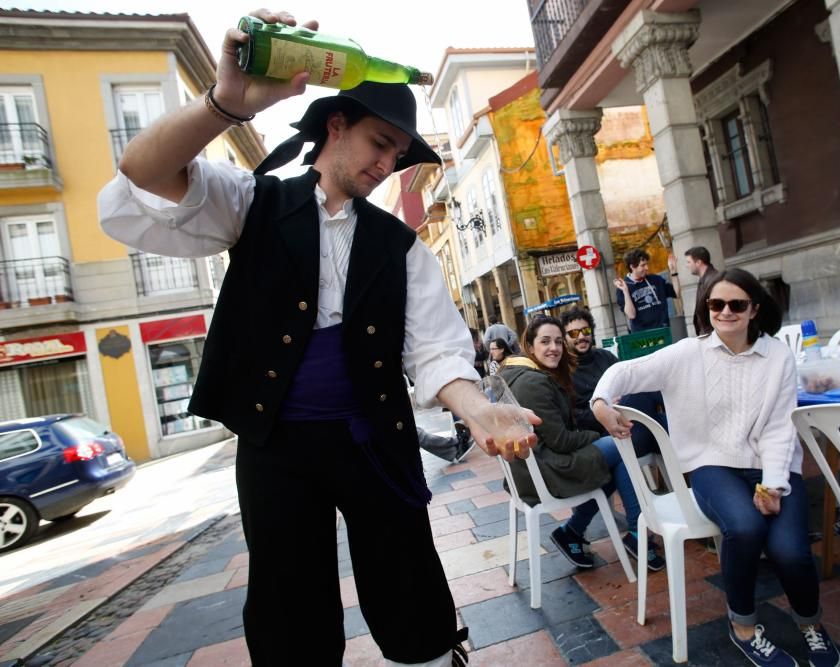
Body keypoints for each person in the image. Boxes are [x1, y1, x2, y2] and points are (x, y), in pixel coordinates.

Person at [96, 9, 537, 666]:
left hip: (375, 437)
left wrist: (478, 410)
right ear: (336, 126)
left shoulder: (401, 246)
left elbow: (436, 349)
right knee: (287, 590)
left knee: (405, 570)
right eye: (380, 144)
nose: (388, 163)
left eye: (397, 153)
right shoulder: (253, 202)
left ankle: (433, 652)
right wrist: (225, 104)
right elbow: (139, 173)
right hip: (275, 443)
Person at [592, 268, 840, 667]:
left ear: (754, 309)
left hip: (769, 466)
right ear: (705, 308)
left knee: (790, 551)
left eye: (736, 304)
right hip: (711, 464)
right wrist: (601, 402)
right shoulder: (689, 352)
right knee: (744, 528)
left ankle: (810, 624)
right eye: (716, 304)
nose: (725, 311)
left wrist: (774, 485)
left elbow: (780, 427)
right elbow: (626, 370)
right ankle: (743, 627)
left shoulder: (777, 356)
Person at [499, 316, 663, 571]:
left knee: (611, 457)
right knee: (620, 446)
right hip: (545, 471)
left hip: (533, 467)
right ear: (530, 347)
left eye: (557, 341)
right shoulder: (533, 382)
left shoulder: (522, 374)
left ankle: (576, 531)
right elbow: (563, 440)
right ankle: (636, 532)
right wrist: (599, 436)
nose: (553, 348)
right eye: (545, 342)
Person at [613, 248, 677, 332]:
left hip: (663, 330)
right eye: (643, 265)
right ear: (632, 266)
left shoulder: (656, 280)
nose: (647, 268)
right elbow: (631, 315)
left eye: (647, 264)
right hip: (642, 336)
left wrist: (673, 272)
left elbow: (677, 293)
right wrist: (625, 290)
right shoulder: (623, 287)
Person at [685, 245, 719, 336]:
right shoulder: (704, 279)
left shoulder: (713, 280)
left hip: (714, 335)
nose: (686, 266)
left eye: (689, 262)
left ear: (698, 262)